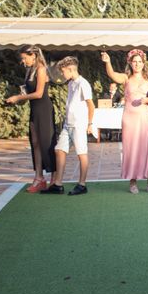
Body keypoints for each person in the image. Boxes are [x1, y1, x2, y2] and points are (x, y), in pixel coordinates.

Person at [101, 49, 148, 194]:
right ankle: (132, 182)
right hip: (130, 119)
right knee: (131, 149)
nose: (137, 64)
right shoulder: (126, 78)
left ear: (143, 63)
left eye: (139, 61)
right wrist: (108, 62)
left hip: (146, 117)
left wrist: (147, 100)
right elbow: (112, 75)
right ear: (130, 63)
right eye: (134, 61)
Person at [5, 45, 56, 192]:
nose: (23, 61)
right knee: (35, 143)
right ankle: (39, 178)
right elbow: (29, 92)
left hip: (44, 109)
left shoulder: (41, 69)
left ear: (33, 55)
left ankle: (54, 179)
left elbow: (39, 93)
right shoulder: (30, 70)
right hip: (34, 109)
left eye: (24, 58)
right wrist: (17, 99)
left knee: (46, 143)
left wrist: (19, 97)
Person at [41, 57, 94, 196]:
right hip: (68, 124)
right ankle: (58, 184)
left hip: (78, 125)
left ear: (71, 69)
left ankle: (82, 185)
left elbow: (91, 105)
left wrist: (90, 123)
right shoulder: (71, 84)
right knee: (59, 150)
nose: (62, 75)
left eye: (63, 71)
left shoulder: (83, 84)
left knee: (81, 153)